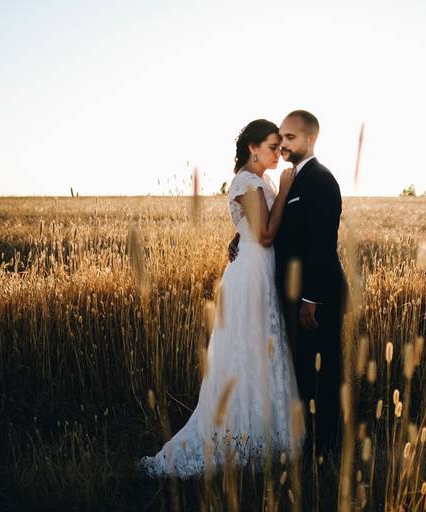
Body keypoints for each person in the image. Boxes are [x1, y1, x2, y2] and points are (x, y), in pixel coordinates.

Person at [140, 119, 303, 477]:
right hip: (251, 272)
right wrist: (287, 190)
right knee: (247, 349)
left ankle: (265, 431)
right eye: (273, 146)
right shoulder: (248, 180)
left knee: (262, 347)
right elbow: (264, 235)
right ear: (253, 148)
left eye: (280, 146)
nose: (279, 152)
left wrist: (238, 233)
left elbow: (248, 224)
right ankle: (241, 433)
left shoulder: (261, 180)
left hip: (257, 269)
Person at [229, 110, 347, 467]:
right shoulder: (290, 180)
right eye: (279, 141)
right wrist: (240, 236)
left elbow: (322, 243)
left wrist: (311, 296)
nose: (282, 147)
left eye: (290, 140)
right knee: (303, 369)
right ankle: (307, 438)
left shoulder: (320, 180)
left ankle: (328, 447)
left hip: (319, 293)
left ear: (310, 140)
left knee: (325, 370)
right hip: (288, 289)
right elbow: (274, 227)